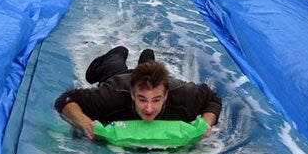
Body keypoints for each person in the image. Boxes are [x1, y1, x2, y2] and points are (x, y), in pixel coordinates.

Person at [54, 46, 222, 140]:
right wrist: (85, 124)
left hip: (152, 81)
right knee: (115, 68)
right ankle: (118, 53)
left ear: (166, 96)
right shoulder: (112, 96)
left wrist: (206, 122)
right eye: (142, 99)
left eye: (156, 100)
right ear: (133, 95)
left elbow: (212, 99)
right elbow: (66, 100)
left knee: (149, 72)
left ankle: (148, 59)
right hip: (120, 77)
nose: (149, 108)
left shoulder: (184, 96)